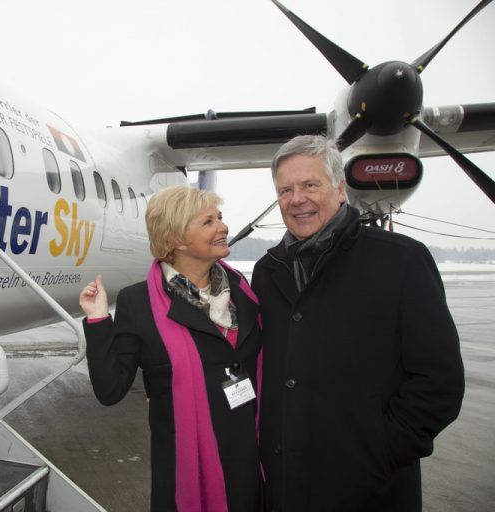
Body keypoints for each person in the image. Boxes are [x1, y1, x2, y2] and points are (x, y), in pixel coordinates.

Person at [252, 134, 465, 512]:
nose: (296, 198)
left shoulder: (401, 261)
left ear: (339, 189)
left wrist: (379, 453)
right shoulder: (268, 271)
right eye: (285, 190)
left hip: (369, 491)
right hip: (285, 489)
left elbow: (439, 382)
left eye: (309, 185)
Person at [79, 186, 262, 512]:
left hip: (251, 456)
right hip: (187, 470)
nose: (223, 227)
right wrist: (97, 320)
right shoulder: (139, 303)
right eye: (208, 222)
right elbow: (110, 389)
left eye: (219, 218)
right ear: (175, 238)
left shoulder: (243, 290)